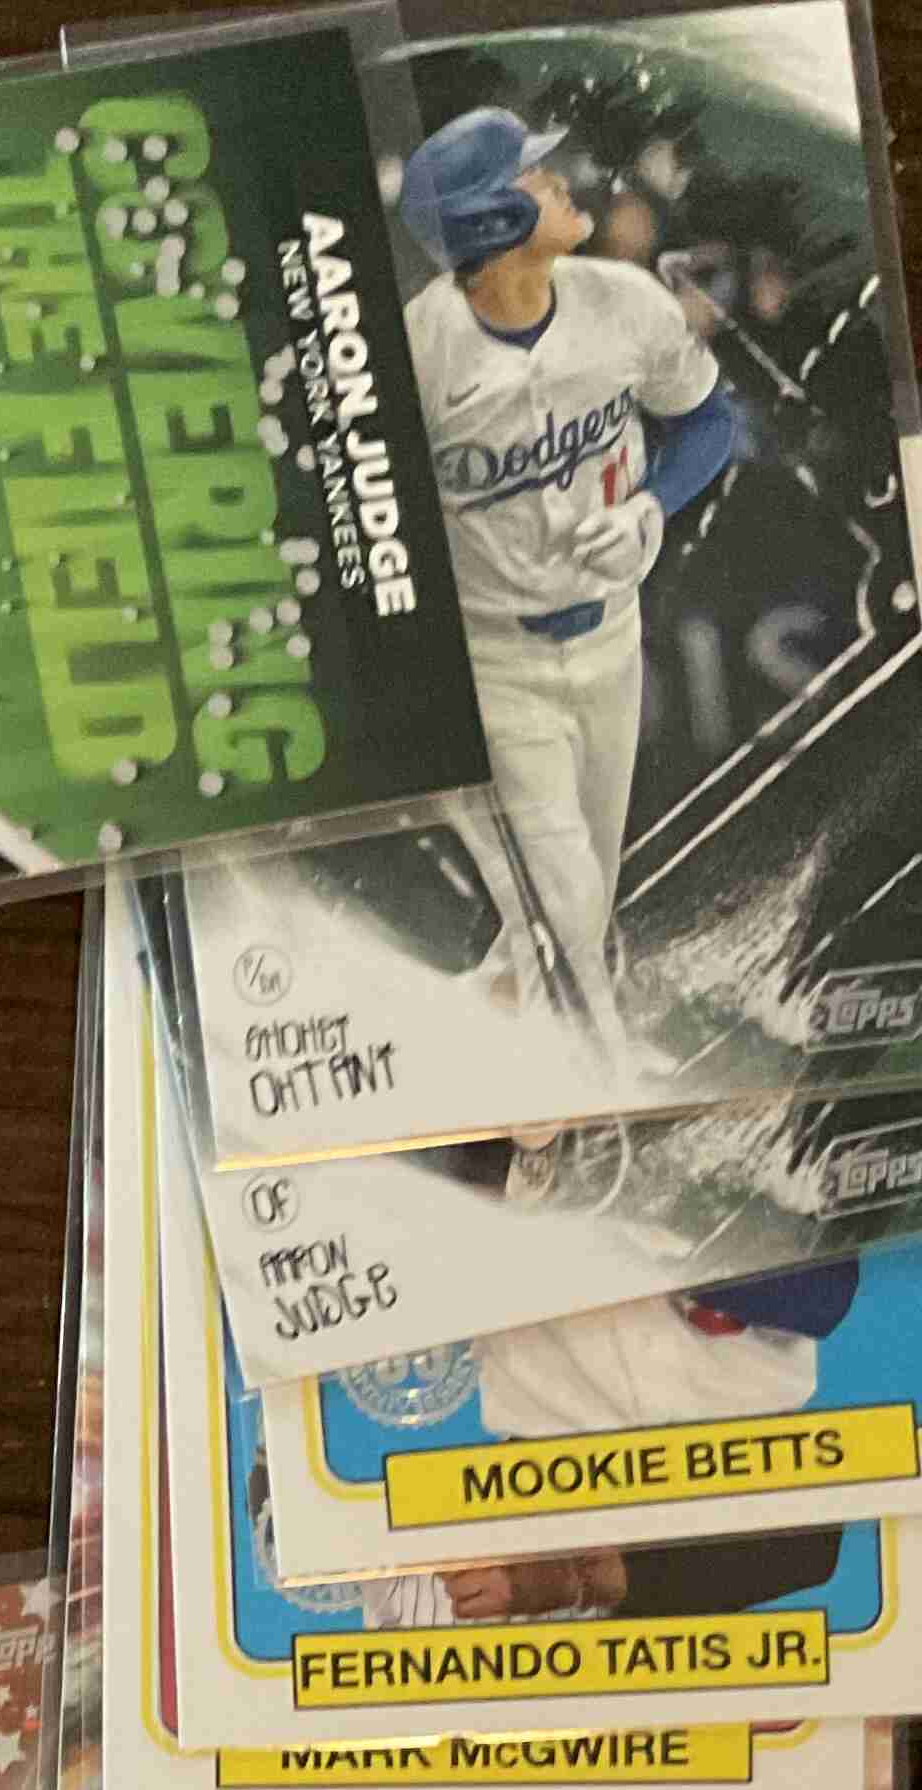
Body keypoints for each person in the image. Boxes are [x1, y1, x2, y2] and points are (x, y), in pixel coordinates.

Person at [399, 107, 744, 1106]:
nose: (560, 184)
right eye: (533, 176)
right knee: (565, 891)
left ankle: (474, 1018)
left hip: (609, 636)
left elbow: (708, 421)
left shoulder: (621, 301)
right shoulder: (417, 349)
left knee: (580, 886)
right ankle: (606, 1079)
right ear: (488, 216)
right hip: (494, 660)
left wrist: (650, 505)